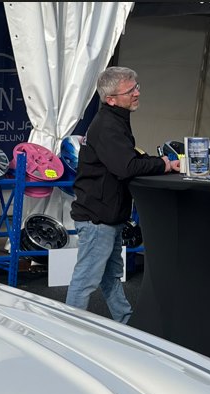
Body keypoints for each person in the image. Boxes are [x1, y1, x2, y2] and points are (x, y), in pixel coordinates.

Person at [66, 66, 180, 322]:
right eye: (131, 90)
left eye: (137, 87)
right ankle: (67, 329)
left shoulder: (115, 121)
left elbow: (128, 157)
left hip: (107, 216)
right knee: (86, 280)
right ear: (111, 99)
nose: (137, 93)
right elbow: (125, 166)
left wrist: (160, 163)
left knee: (111, 277)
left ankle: (125, 323)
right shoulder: (108, 125)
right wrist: (162, 164)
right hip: (98, 218)